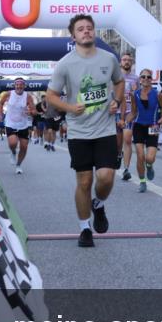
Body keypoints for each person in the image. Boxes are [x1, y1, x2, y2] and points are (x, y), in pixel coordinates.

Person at [46, 14, 124, 248]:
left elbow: (119, 82)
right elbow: (50, 96)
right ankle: (84, 229)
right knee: (84, 181)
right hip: (79, 132)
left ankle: (98, 204)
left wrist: (117, 102)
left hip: (105, 129)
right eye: (81, 29)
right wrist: (69, 107)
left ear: (94, 32)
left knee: (106, 177)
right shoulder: (65, 64)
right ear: (73, 36)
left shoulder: (109, 59)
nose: (86, 32)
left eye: (89, 28)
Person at [124, 68, 162, 193]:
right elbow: (133, 112)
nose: (146, 79)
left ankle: (149, 166)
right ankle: (142, 181)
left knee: (150, 158)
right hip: (138, 126)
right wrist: (125, 121)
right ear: (140, 79)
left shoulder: (157, 94)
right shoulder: (135, 94)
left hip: (153, 126)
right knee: (140, 155)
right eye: (143, 77)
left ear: (152, 79)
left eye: (148, 77)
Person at [0, 78, 36, 175]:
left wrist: (30, 112)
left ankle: (18, 165)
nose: (19, 86)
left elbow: (34, 111)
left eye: (21, 85)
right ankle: (13, 152)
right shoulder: (8, 94)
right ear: (14, 86)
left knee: (24, 147)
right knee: (13, 143)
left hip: (23, 125)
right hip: (10, 123)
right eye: (17, 85)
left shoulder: (28, 97)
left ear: (24, 86)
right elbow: (0, 103)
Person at [118, 53, 139, 181]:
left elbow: (139, 96)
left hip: (129, 112)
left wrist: (135, 92)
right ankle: (118, 154)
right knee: (117, 141)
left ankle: (126, 169)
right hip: (116, 113)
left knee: (127, 139)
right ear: (120, 62)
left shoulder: (136, 78)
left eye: (129, 60)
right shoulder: (115, 77)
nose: (127, 62)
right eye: (124, 60)